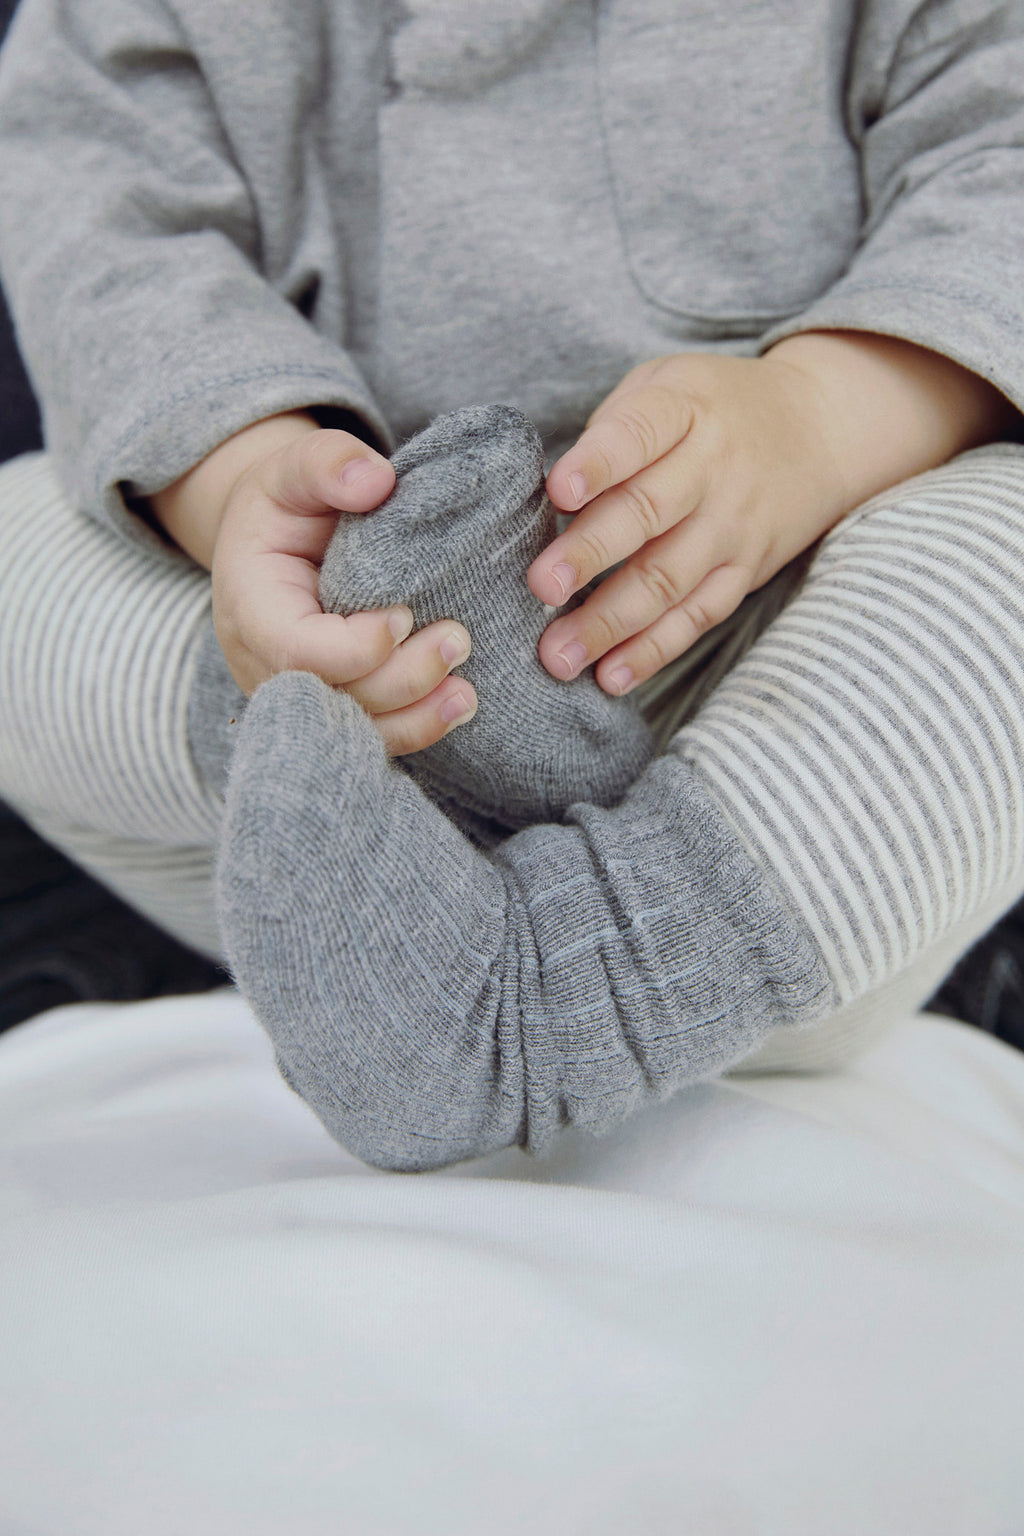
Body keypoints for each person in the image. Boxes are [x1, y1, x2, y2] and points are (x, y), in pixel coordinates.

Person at [1, 0, 1023, 1167]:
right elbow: (102, 205)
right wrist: (241, 489)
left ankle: (532, 1012)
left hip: (794, 768)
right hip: (350, 728)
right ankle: (372, 833)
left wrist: (827, 415)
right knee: (16, 543)